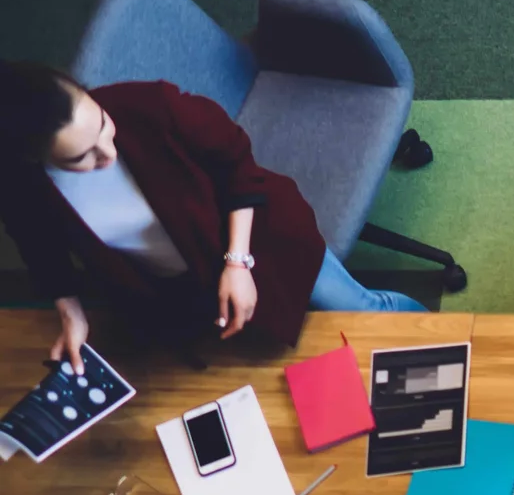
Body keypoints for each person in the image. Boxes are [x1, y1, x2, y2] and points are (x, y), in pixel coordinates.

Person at [0, 62, 424, 373]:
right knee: (276, 367)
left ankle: (446, 338)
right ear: (32, 157)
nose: (108, 153)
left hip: (261, 241)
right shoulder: (24, 186)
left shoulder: (151, 106)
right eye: (82, 156)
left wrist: (237, 262)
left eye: (103, 126)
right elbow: (39, 244)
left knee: (362, 308)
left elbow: (239, 165)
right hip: (180, 292)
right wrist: (70, 310)